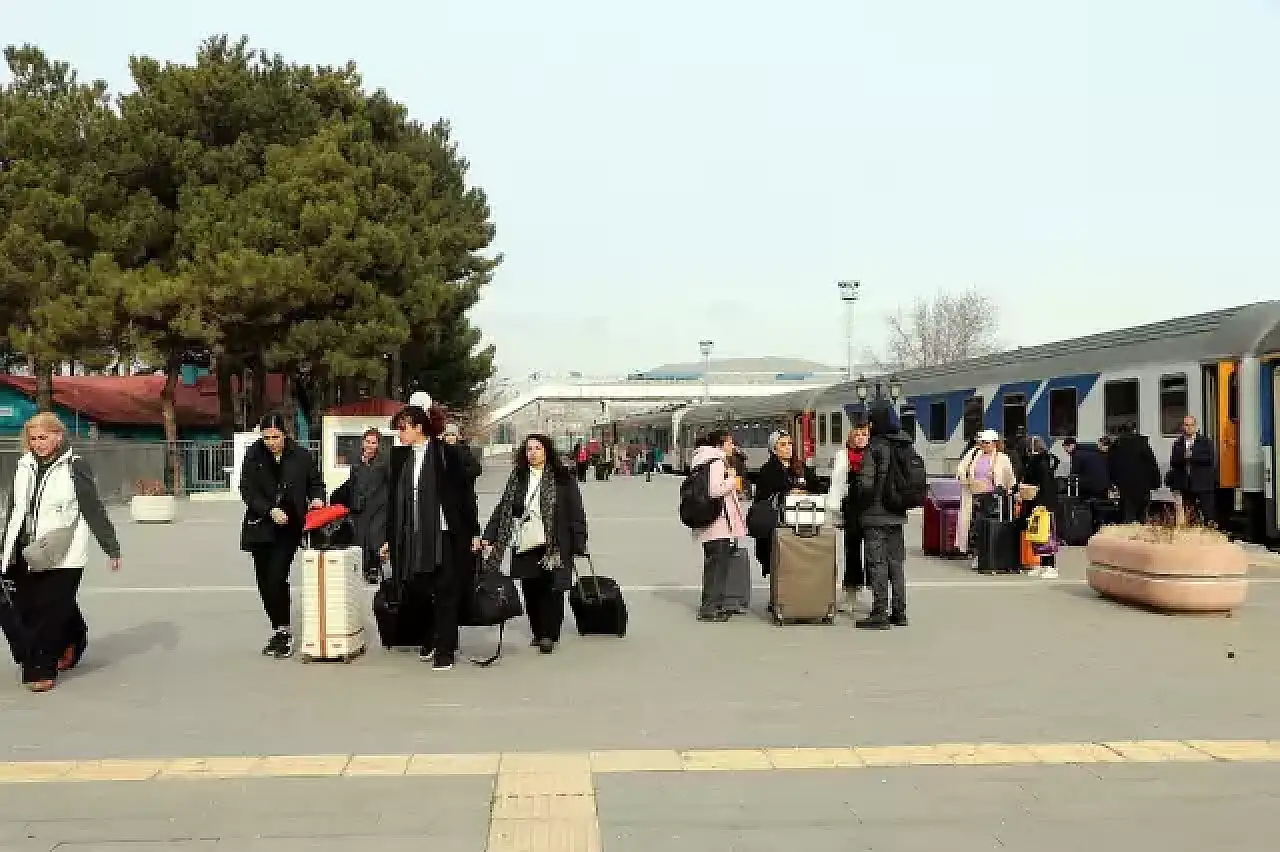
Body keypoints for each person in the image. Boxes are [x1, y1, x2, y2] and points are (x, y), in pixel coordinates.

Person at [1, 412, 121, 692]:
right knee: (26, 608)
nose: (38, 444)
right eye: (33, 438)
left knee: (48, 612)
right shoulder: (24, 466)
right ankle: (75, 636)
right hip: (25, 550)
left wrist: (111, 547)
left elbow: (93, 509)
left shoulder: (74, 467)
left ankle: (41, 668)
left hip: (63, 551)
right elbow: (14, 511)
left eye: (43, 437)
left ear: (58, 436)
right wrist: (5, 547)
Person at [380, 404, 482, 671]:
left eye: (403, 428)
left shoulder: (445, 454)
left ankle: (445, 649)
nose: (400, 433)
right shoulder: (401, 459)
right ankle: (431, 636)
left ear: (419, 427)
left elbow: (465, 495)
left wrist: (474, 531)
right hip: (412, 536)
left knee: (447, 590)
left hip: (445, 534)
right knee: (419, 589)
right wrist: (390, 538)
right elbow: (394, 502)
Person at [481, 434, 588, 653]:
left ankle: (549, 634)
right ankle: (538, 631)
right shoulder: (518, 477)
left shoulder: (562, 477)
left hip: (554, 542)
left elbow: (576, 510)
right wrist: (489, 535)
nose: (533, 453)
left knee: (552, 588)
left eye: (537, 448)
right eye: (529, 449)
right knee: (530, 588)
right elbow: (503, 508)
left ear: (547, 451)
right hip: (525, 540)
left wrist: (579, 541)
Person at [239, 412, 326, 659]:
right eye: (266, 437)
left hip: (289, 527)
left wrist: (317, 498)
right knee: (264, 582)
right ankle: (278, 628)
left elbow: (316, 483)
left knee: (277, 577)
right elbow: (247, 490)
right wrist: (269, 510)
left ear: (285, 434)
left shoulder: (302, 456)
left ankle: (284, 631)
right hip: (261, 526)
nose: (271, 442)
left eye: (275, 437)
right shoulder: (254, 455)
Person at [854, 404, 914, 629]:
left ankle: (880, 613)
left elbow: (865, 484)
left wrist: (857, 501)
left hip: (875, 516)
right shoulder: (905, 445)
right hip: (897, 514)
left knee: (877, 563)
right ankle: (899, 612)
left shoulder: (875, 447)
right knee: (896, 564)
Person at [688, 431, 747, 622]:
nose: (732, 446)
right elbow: (714, 490)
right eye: (729, 443)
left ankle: (714, 605)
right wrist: (732, 480)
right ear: (720, 445)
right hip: (717, 523)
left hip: (712, 523)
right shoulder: (716, 461)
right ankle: (710, 609)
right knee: (716, 569)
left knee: (714, 567)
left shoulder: (703, 459)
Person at [752, 430, 821, 577]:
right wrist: (788, 493)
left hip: (801, 521)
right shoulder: (768, 470)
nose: (788, 447)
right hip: (778, 523)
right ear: (774, 449)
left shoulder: (800, 467)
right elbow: (762, 498)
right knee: (780, 565)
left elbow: (817, 486)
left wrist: (805, 492)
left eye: (790, 444)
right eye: (783, 445)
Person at [826, 418, 870, 613]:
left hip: (870, 509)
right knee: (851, 552)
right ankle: (850, 592)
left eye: (864, 434)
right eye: (857, 434)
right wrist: (834, 509)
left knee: (872, 553)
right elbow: (836, 483)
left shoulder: (873, 455)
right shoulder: (843, 455)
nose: (860, 438)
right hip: (851, 509)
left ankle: (873, 594)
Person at [954, 429, 1017, 555]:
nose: (984, 445)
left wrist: (1012, 492)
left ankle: (988, 551)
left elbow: (1010, 477)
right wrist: (966, 479)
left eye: (987, 442)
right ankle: (975, 551)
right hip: (973, 495)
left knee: (987, 525)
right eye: (982, 442)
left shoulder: (1002, 458)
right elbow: (961, 469)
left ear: (995, 443)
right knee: (973, 525)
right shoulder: (973, 453)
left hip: (992, 498)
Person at [347, 429, 390, 584]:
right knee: (360, 537)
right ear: (363, 442)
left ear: (378, 444)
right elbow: (352, 483)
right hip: (361, 506)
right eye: (367, 442)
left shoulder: (384, 461)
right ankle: (363, 567)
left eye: (373, 442)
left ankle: (374, 567)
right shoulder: (356, 460)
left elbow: (390, 482)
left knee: (374, 535)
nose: (370, 445)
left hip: (379, 506)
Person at [1016, 436, 1061, 579]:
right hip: (1039, 503)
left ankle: (1051, 567)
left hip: (1042, 504)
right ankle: (1042, 565)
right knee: (1038, 535)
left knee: (1046, 536)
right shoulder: (1042, 461)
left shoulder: (1040, 463)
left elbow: (1045, 485)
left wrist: (1042, 504)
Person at [1107, 422, 1161, 524]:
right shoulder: (1143, 444)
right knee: (1143, 516)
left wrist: (1112, 483)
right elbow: (1152, 464)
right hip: (1143, 487)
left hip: (1124, 487)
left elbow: (1111, 466)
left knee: (1127, 516)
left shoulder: (1117, 446)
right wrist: (1156, 482)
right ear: (1135, 430)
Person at [1168, 415, 1217, 526]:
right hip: (1186, 485)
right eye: (1186, 425)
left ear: (1195, 426)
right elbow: (1173, 462)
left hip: (1204, 484)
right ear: (1183, 427)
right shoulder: (1178, 443)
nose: (1189, 427)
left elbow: (1211, 460)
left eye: (1191, 425)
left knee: (1208, 514)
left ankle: (1209, 531)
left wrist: (1192, 457)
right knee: (1190, 513)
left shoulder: (1206, 442)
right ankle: (1193, 531)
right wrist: (1183, 458)